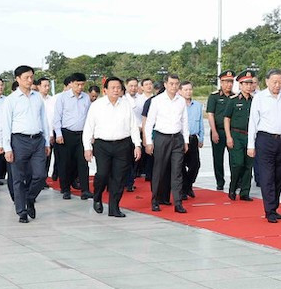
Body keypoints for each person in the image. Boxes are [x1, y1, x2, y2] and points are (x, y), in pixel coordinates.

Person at [0, 65, 52, 223]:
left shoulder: (37, 97)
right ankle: (21, 211)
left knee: (40, 175)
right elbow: (6, 124)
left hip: (37, 140)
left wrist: (46, 142)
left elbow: (44, 120)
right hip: (19, 141)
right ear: (18, 79)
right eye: (26, 77)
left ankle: (30, 198)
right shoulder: (11, 100)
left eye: (31, 77)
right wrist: (7, 147)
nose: (30, 80)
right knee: (18, 178)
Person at [247, 69, 281, 223]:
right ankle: (269, 210)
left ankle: (274, 207)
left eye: (279, 82)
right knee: (267, 176)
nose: (277, 85)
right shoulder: (259, 98)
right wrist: (251, 145)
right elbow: (253, 122)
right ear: (267, 82)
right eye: (274, 82)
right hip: (265, 140)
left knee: (279, 176)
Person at [82, 77, 142, 217]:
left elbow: (133, 126)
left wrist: (137, 145)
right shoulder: (97, 105)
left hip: (123, 144)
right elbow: (88, 128)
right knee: (102, 174)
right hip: (102, 145)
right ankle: (97, 197)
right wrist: (87, 148)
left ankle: (114, 207)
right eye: (113, 88)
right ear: (105, 90)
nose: (116, 90)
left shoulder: (126, 105)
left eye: (118, 88)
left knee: (119, 177)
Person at [144, 74, 189, 213]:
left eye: (176, 84)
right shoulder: (157, 101)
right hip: (161, 137)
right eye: (171, 84)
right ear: (165, 84)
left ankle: (178, 202)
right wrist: (148, 142)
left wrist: (186, 140)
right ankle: (155, 200)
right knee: (159, 170)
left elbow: (184, 121)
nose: (174, 86)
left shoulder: (181, 101)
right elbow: (149, 123)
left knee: (177, 171)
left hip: (177, 138)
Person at [54, 73, 92, 200]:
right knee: (66, 163)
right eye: (77, 84)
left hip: (82, 134)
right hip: (66, 134)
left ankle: (85, 190)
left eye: (82, 84)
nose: (80, 87)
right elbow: (57, 117)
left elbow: (89, 117)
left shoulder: (86, 98)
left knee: (83, 162)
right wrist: (58, 134)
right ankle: (65, 189)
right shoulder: (62, 97)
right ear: (71, 84)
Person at [224, 71, 256, 201]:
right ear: (240, 85)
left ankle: (245, 192)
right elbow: (227, 118)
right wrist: (228, 137)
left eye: (250, 83)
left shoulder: (255, 101)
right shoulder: (233, 100)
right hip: (236, 135)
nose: (248, 86)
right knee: (238, 163)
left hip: (250, 136)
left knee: (248, 165)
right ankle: (233, 187)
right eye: (245, 84)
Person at [207, 70, 235, 191]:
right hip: (218, 130)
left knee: (234, 159)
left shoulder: (235, 97)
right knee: (218, 159)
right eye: (226, 82)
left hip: (231, 132)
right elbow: (210, 114)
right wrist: (214, 131)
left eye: (231, 82)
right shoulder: (214, 97)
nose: (229, 84)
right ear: (221, 82)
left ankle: (235, 181)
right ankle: (220, 182)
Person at [180, 81, 204, 199]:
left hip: (193, 138)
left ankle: (188, 185)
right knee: (181, 165)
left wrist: (201, 137)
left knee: (195, 164)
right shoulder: (178, 105)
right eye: (186, 90)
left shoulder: (198, 105)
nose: (188, 92)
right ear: (180, 91)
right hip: (180, 139)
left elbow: (201, 123)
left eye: (190, 89)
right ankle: (184, 189)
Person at [36, 77, 56, 187]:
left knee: (48, 157)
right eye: (45, 86)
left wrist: (52, 134)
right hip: (38, 134)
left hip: (50, 133)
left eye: (48, 86)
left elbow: (52, 118)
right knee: (38, 159)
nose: (47, 88)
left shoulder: (52, 100)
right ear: (38, 86)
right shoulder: (34, 99)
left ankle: (43, 180)